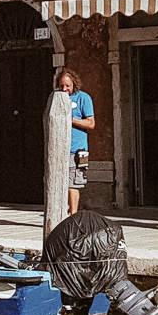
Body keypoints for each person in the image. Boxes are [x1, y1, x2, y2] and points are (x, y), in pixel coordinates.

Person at [55, 68, 94, 215]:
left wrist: (72, 120)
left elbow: (91, 123)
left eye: (67, 86)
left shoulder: (83, 98)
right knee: (59, 183)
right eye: (61, 86)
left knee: (72, 184)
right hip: (59, 149)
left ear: (74, 85)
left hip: (76, 149)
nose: (64, 89)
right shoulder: (56, 98)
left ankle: (73, 216)